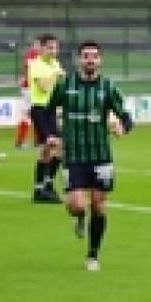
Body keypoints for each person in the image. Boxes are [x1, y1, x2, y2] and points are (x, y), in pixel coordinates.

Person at [44, 41, 133, 271]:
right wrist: (52, 134)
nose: (90, 60)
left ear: (100, 60)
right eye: (86, 56)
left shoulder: (108, 87)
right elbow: (48, 111)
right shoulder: (65, 85)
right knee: (76, 205)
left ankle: (93, 255)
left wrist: (122, 128)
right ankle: (79, 217)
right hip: (74, 155)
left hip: (101, 155)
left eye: (94, 56)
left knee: (99, 205)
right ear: (79, 59)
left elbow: (126, 116)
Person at [28, 34, 64, 202]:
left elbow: (59, 87)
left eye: (56, 47)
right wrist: (56, 75)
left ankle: (46, 185)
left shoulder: (55, 63)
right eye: (50, 47)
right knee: (50, 145)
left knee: (59, 149)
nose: (53, 51)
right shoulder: (35, 64)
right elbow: (43, 87)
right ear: (41, 48)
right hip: (40, 109)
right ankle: (40, 189)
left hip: (51, 110)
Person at [15, 37, 41, 149]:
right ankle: (22, 142)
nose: (39, 47)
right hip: (30, 88)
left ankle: (36, 140)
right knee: (30, 113)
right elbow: (30, 66)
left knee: (35, 113)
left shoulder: (39, 56)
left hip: (35, 88)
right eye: (38, 44)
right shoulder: (32, 54)